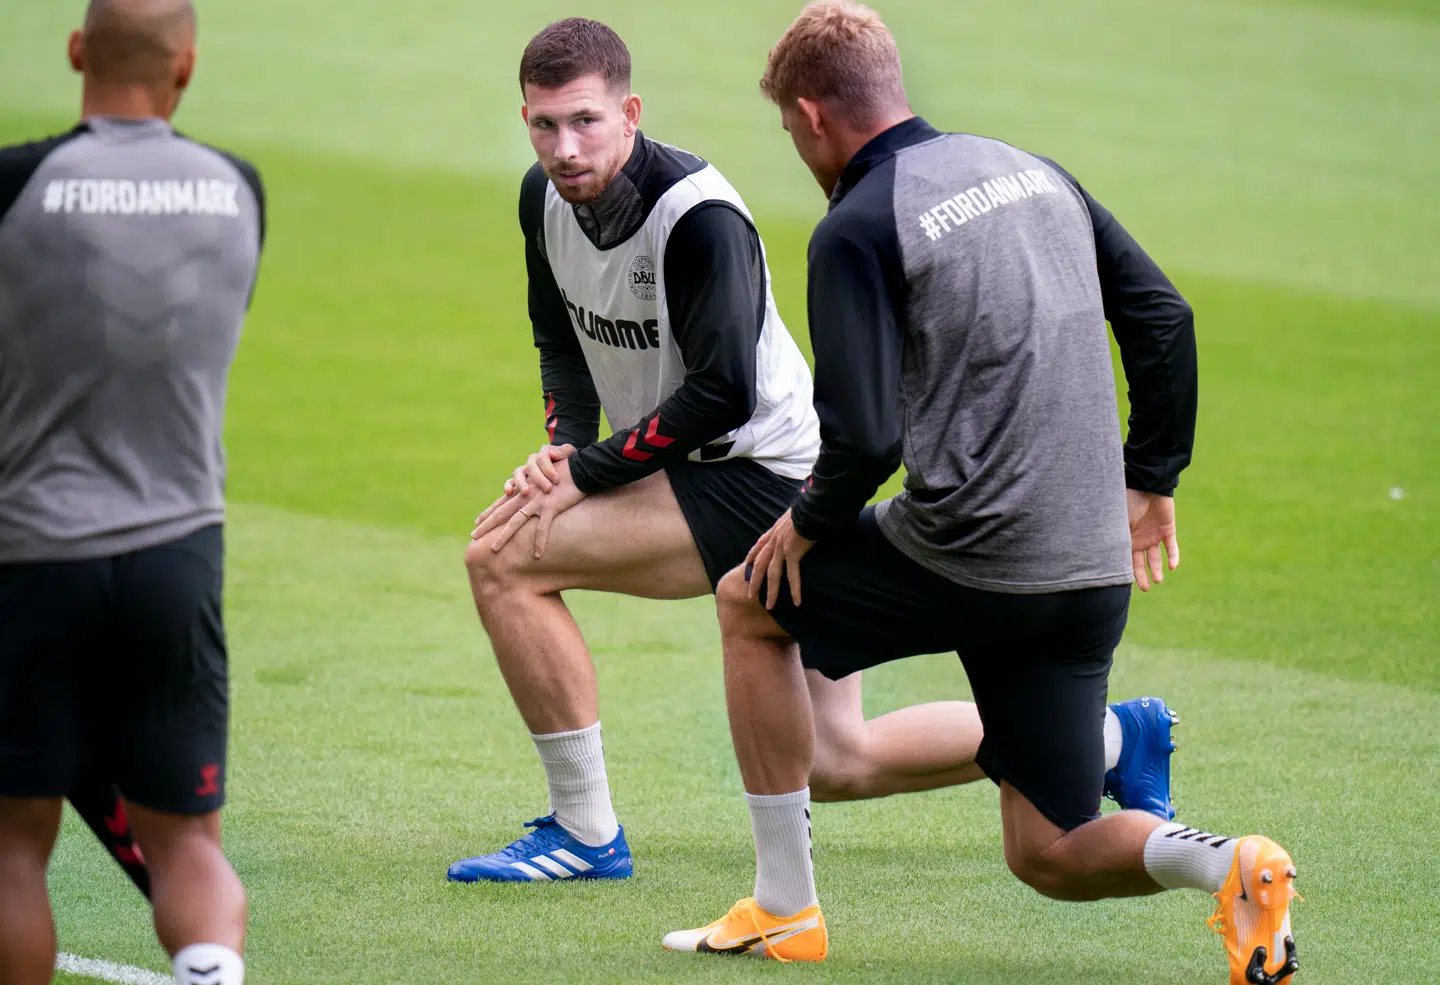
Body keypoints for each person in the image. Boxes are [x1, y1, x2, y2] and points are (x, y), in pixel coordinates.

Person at [448, 16, 1179, 885]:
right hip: (712, 465)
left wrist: (588, 472)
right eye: (543, 125)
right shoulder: (543, 199)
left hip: (763, 472)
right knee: (835, 759)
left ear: (631, 111)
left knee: (502, 557)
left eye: (585, 121)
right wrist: (565, 447)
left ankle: (585, 830)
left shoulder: (700, 219)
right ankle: (1107, 737)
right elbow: (559, 336)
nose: (563, 148)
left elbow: (724, 395)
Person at [663, 5, 1299, 984]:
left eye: (791, 135)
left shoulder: (857, 228)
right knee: (1047, 851)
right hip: (1086, 569)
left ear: (809, 116)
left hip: (968, 555)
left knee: (750, 597)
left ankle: (784, 910)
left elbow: (866, 436)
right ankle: (1227, 864)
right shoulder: (1033, 170)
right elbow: (1164, 317)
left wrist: (805, 524)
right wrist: (1151, 478)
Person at [0, 2, 265, 984]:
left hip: (32, 552)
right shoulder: (239, 190)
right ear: (185, 66)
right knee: (188, 839)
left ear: (77, 51)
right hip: (177, 556)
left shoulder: (17, 183)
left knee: (12, 849)